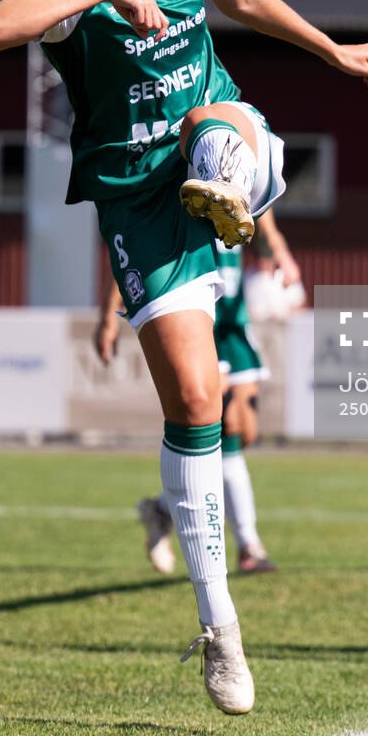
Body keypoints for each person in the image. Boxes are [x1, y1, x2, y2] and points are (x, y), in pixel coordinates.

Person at [0, 0, 368, 715]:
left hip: (225, 138)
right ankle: (219, 624)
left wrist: (326, 49)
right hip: (139, 205)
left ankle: (226, 184)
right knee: (196, 402)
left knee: (211, 118)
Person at [104, 212, 300, 576]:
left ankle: (162, 509)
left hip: (235, 322)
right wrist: (107, 316)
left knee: (246, 431)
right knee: (225, 436)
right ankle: (248, 546)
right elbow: (133, 244)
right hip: (200, 315)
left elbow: (264, 216)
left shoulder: (237, 167)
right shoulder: (183, 174)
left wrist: (280, 252)